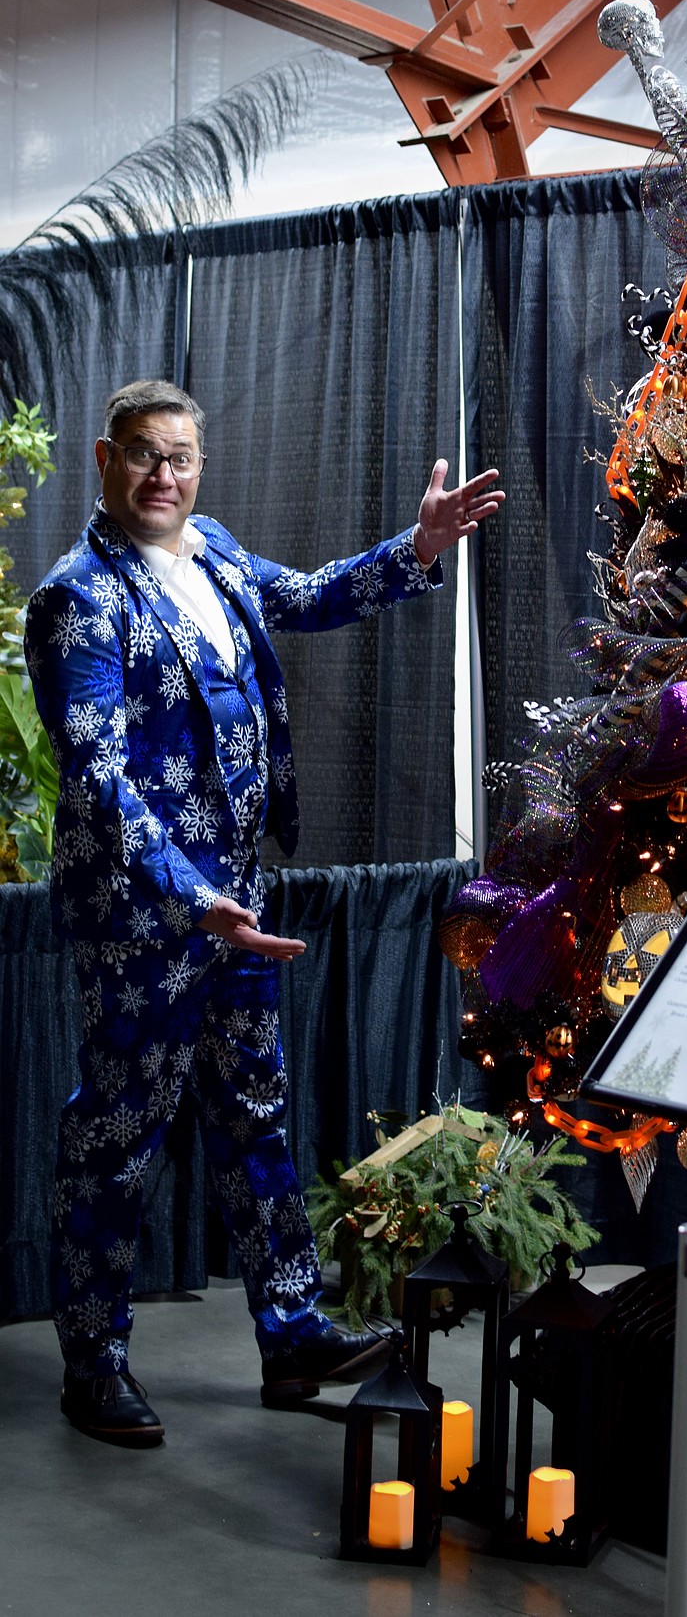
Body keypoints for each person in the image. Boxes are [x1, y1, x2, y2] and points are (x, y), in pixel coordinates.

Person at [24, 378, 504, 1448]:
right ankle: (92, 1366)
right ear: (105, 459)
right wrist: (194, 903)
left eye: (182, 458)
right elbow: (98, 779)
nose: (165, 477)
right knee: (113, 1142)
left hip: (239, 913)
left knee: (256, 1122)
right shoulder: (79, 598)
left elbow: (312, 597)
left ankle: (292, 1333)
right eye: (146, 455)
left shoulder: (215, 550)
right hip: (151, 925)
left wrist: (415, 549)